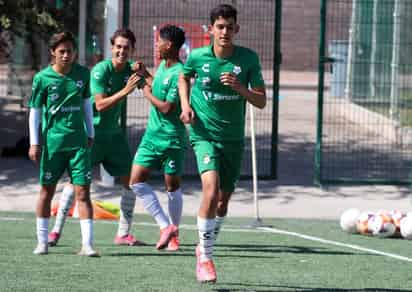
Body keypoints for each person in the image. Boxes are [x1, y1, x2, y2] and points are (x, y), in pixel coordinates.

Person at [178, 4, 266, 283]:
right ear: (211, 29)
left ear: (236, 29)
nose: (224, 31)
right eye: (220, 26)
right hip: (203, 134)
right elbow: (183, 76)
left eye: (229, 26)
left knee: (223, 202)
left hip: (233, 139)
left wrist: (241, 88)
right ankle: (205, 257)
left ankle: (205, 244)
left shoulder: (248, 59)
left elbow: (262, 101)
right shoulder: (198, 57)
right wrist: (185, 106)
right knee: (211, 189)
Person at [48, 28, 147, 247]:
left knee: (131, 182)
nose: (122, 51)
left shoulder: (130, 72)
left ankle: (122, 233)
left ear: (132, 50)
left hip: (114, 138)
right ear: (112, 48)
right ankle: (55, 231)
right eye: (118, 47)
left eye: (126, 47)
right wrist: (125, 91)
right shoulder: (100, 70)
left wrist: (146, 73)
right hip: (91, 135)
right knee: (76, 183)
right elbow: (100, 105)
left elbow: (154, 89)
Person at [29, 31, 98, 256]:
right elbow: (35, 112)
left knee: (83, 193)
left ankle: (87, 245)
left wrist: (91, 132)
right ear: (53, 53)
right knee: (46, 192)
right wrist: (34, 142)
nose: (67, 55)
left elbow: (87, 104)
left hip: (78, 144)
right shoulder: (42, 78)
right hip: (53, 145)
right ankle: (42, 242)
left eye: (70, 51)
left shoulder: (82, 74)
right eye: (62, 51)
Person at [129, 25, 186, 251]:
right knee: (136, 181)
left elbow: (166, 107)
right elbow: (158, 85)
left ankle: (174, 234)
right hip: (151, 137)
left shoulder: (180, 73)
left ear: (169, 45)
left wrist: (143, 89)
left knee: (172, 187)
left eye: (158, 42)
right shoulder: (163, 66)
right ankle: (165, 227)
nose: (156, 45)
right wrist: (146, 76)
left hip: (172, 139)